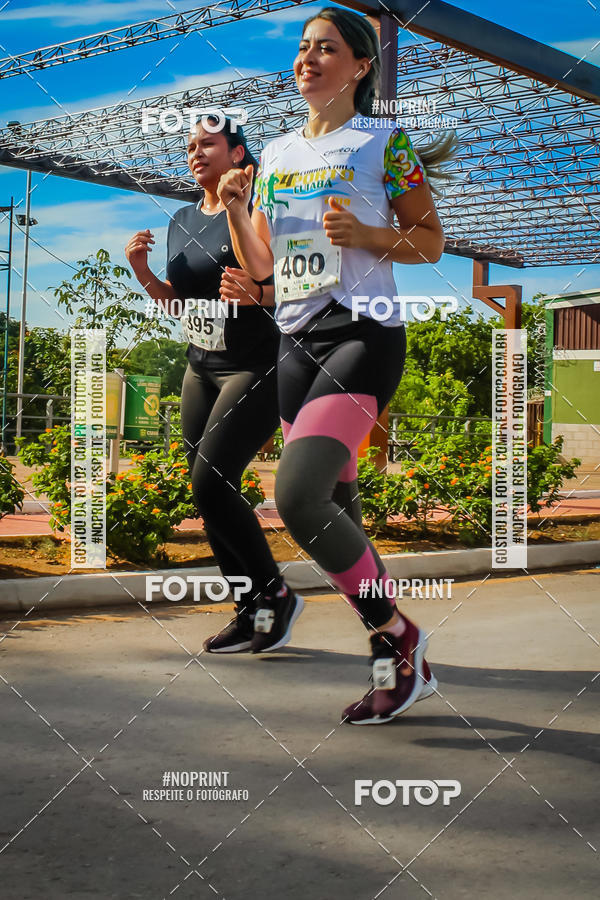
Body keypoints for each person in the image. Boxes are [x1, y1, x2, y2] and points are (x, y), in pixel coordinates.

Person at [217, 7, 456, 721]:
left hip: (362, 333)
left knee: (297, 497)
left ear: (358, 66)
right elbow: (266, 264)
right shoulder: (280, 153)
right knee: (335, 515)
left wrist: (367, 233)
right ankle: (395, 660)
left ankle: (402, 638)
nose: (307, 58)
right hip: (296, 341)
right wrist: (235, 209)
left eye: (326, 48)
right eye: (301, 48)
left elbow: (431, 242)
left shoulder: (385, 141)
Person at [125, 115, 304, 653]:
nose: (195, 153)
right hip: (200, 365)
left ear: (238, 155)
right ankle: (249, 608)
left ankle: (274, 593)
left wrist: (260, 294)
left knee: (210, 480)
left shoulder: (261, 209)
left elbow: (306, 284)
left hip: (257, 364)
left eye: (207, 144)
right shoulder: (182, 218)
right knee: (210, 491)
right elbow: (177, 302)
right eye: (189, 147)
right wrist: (143, 270)